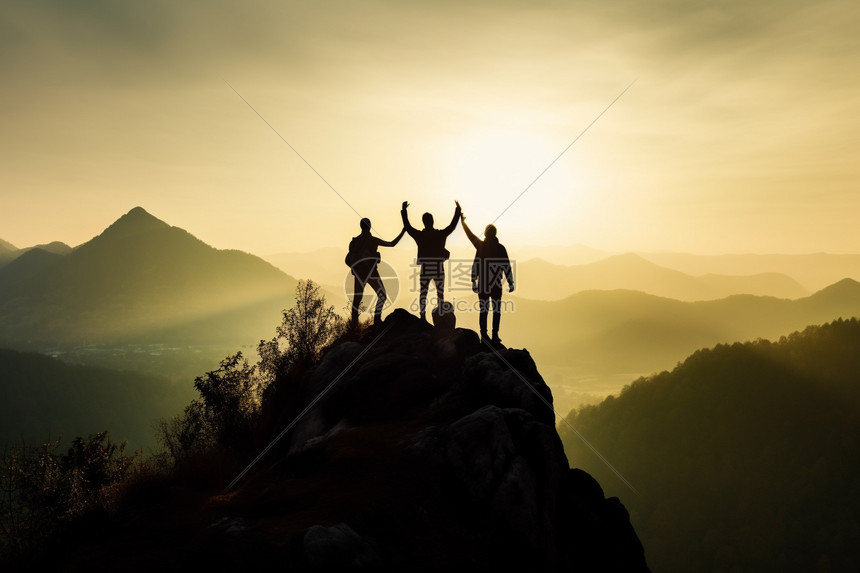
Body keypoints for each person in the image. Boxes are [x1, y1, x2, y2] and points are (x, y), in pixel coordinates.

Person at [460, 210, 514, 345]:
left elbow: (470, 235)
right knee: (496, 310)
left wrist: (463, 222)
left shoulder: (481, 245)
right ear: (495, 234)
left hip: (483, 283)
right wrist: (510, 282)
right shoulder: (500, 248)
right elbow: (506, 266)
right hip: (496, 283)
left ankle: (484, 335)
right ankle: (494, 335)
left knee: (484, 310)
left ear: (485, 233)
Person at [401, 200, 461, 321]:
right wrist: (458, 211)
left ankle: (422, 317)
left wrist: (404, 211)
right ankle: (441, 317)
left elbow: (408, 227)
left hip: (426, 268)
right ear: (432, 221)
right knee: (440, 294)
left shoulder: (420, 235)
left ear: (423, 222)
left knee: (423, 293)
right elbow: (452, 226)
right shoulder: (440, 234)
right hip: (438, 267)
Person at [346, 217, 406, 325]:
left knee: (357, 300)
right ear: (369, 227)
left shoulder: (355, 242)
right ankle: (376, 320)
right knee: (381, 295)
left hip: (361, 273)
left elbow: (347, 260)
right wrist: (403, 231)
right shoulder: (373, 241)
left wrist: (355, 268)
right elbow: (392, 244)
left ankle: (354, 326)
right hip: (372, 273)